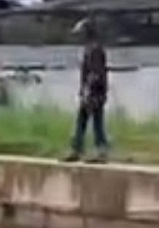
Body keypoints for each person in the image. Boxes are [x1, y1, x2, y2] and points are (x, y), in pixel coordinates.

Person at [63, 17, 110, 164]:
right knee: (83, 120)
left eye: (80, 33)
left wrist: (88, 91)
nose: (78, 37)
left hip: (95, 91)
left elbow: (95, 73)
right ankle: (77, 149)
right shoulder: (90, 48)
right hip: (90, 91)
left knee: (96, 121)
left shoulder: (95, 50)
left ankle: (100, 151)